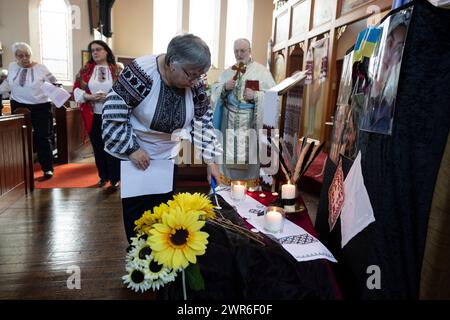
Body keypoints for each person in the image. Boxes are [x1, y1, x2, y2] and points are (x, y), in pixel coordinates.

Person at [102, 34, 222, 242]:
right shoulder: (140, 73)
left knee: (165, 216)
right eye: (191, 75)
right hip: (136, 153)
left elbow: (203, 120)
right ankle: (139, 264)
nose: (194, 82)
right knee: (138, 219)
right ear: (170, 62)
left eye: (199, 76)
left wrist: (211, 159)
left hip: (166, 156)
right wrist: (132, 149)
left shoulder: (194, 82)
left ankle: (163, 264)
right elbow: (113, 115)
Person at [211, 38, 276, 189]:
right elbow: (214, 93)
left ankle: (249, 194)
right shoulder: (228, 72)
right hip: (229, 126)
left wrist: (256, 96)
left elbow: (273, 99)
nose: (239, 54)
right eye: (236, 51)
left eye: (243, 51)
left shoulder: (262, 72)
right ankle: (225, 193)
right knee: (226, 163)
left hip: (251, 125)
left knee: (250, 163)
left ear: (250, 51)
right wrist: (224, 88)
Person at [0, 42, 57, 178]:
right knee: (19, 137)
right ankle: (19, 167)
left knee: (42, 136)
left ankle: (47, 168)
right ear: (15, 57)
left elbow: (54, 83)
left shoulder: (41, 68)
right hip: (18, 105)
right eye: (21, 56)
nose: (25, 58)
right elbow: (8, 83)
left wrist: (54, 91)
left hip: (40, 106)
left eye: (27, 55)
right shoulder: (12, 67)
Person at [73, 40, 123, 189]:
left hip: (113, 115)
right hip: (94, 114)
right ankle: (103, 176)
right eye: (92, 50)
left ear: (106, 51)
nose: (95, 52)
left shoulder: (117, 70)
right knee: (98, 146)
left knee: (113, 146)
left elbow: (125, 91)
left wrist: (109, 97)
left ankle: (115, 178)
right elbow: (76, 89)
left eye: (98, 49)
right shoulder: (86, 70)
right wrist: (89, 97)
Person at [361, 15, 409, 134]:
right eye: (389, 42)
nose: (390, 53)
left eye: (399, 49)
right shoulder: (362, 88)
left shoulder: (394, 105)